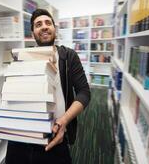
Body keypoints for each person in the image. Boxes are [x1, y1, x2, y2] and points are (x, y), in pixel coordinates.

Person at [5, 9, 91, 164]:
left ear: (54, 29)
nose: (44, 27)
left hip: (56, 134)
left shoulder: (68, 56)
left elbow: (84, 93)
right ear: (33, 34)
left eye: (48, 23)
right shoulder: (23, 57)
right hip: (22, 138)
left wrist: (64, 121)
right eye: (38, 24)